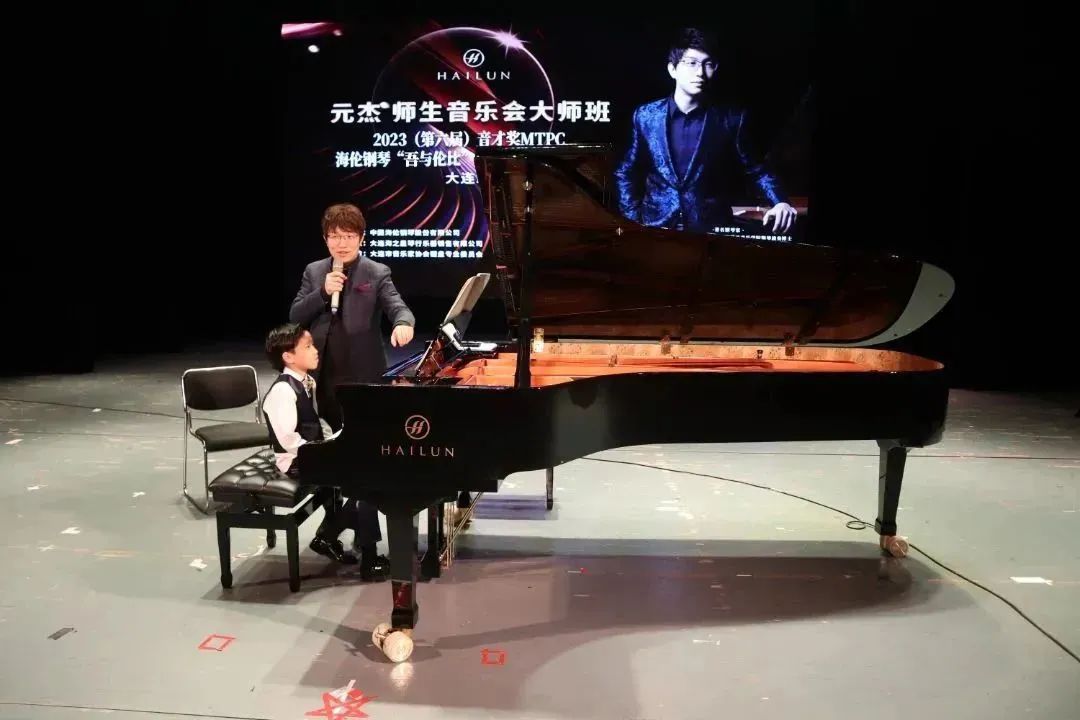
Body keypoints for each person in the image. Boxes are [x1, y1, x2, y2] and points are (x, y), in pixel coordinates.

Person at [613, 28, 798, 235]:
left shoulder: (731, 119)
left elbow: (757, 170)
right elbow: (625, 171)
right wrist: (632, 219)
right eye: (691, 63)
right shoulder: (645, 116)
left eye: (708, 64)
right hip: (654, 227)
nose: (700, 73)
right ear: (672, 69)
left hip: (708, 231)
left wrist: (780, 202)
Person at [262, 322, 389, 578]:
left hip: (313, 453)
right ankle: (365, 555)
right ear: (288, 357)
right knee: (367, 481)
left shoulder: (306, 381)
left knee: (369, 472)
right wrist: (325, 450)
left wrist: (332, 440)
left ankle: (330, 536)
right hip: (297, 461)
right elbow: (288, 440)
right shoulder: (283, 391)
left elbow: (313, 422)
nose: (315, 350)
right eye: (308, 347)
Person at [289, 202, 416, 432]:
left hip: (362, 369)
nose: (342, 244)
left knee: (365, 431)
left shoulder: (376, 272)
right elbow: (296, 315)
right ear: (325, 239)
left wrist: (403, 323)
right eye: (335, 236)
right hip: (322, 370)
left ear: (361, 238)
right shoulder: (314, 271)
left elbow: (398, 307)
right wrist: (323, 292)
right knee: (328, 433)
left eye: (349, 236)